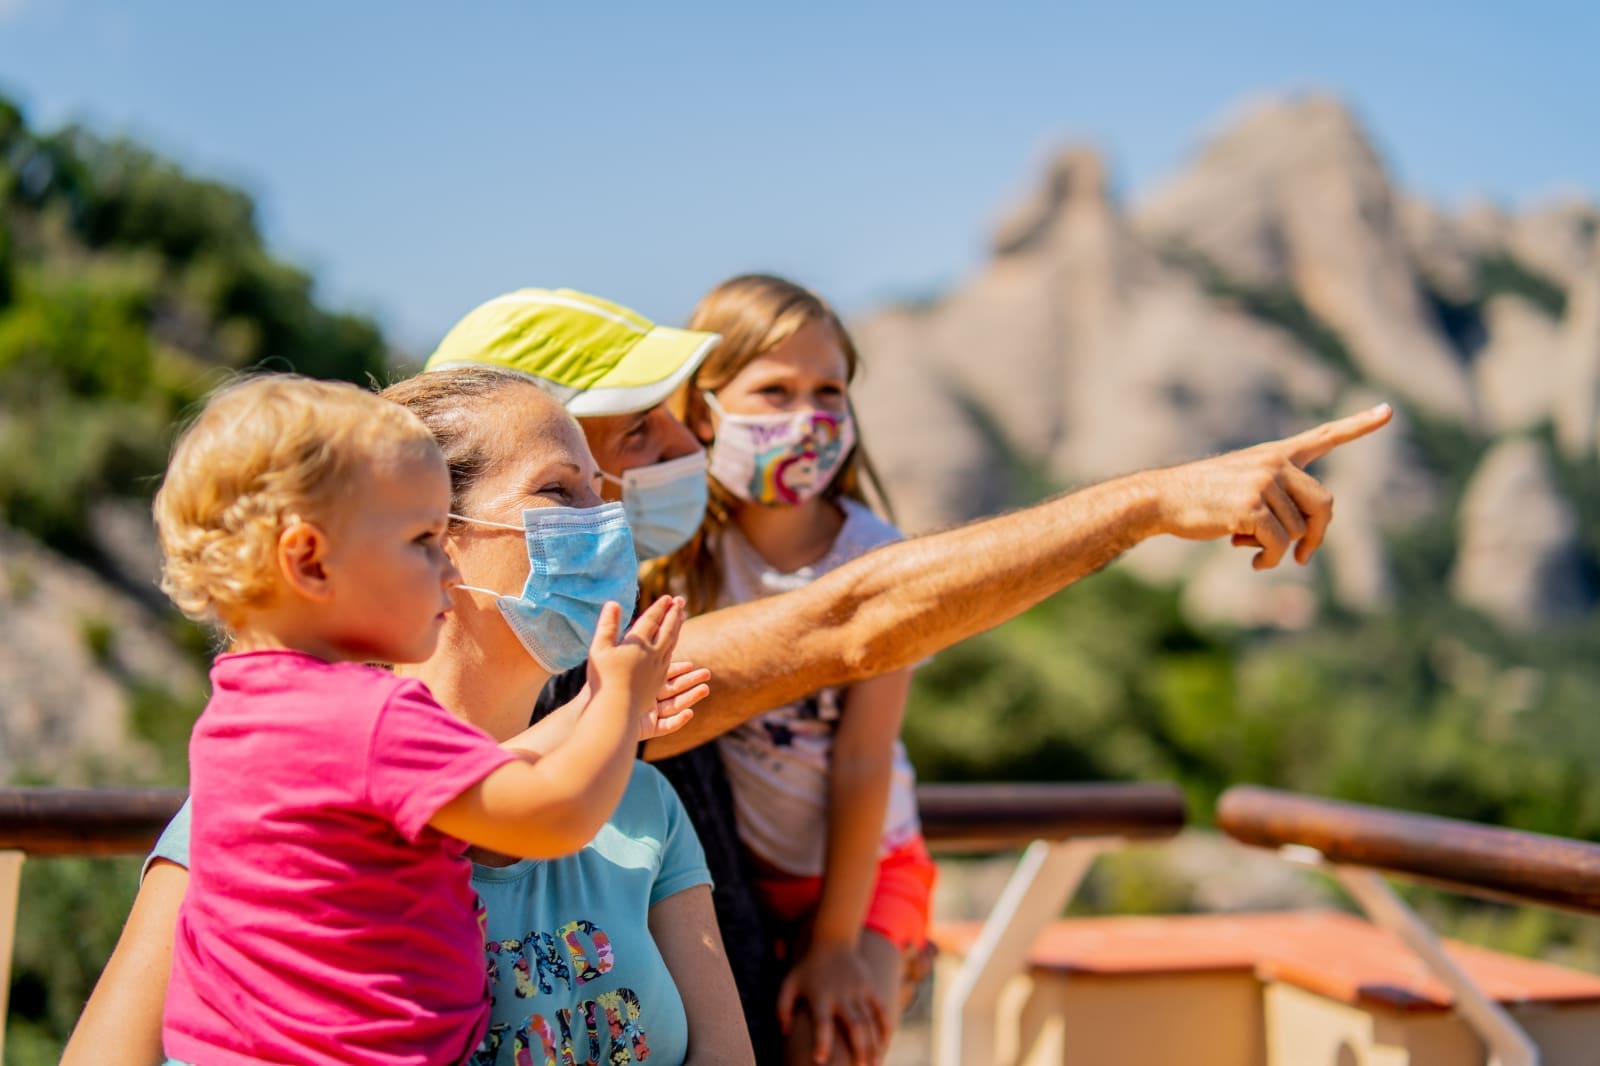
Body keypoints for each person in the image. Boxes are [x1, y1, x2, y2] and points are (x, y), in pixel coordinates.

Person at [68, 287, 1391, 1065]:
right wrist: (1151, 500)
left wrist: (862, 938)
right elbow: (856, 619)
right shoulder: (289, 788)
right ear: (434, 524)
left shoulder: (631, 758)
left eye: (653, 448)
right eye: (601, 459)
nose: (650, 483)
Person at [147, 374, 691, 1065]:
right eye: (421, 540)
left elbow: (462, 773)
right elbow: (554, 814)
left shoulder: (243, 713)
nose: (445, 567)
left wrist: (587, 710)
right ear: (310, 559)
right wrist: (613, 703)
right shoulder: (370, 720)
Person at [658, 275, 934, 1066]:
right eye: (773, 390)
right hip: (736, 871)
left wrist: (838, 942)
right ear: (704, 409)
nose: (805, 417)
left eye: (828, 391)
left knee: (831, 1042)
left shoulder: (875, 558)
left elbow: (863, 754)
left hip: (866, 868)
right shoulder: (681, 556)